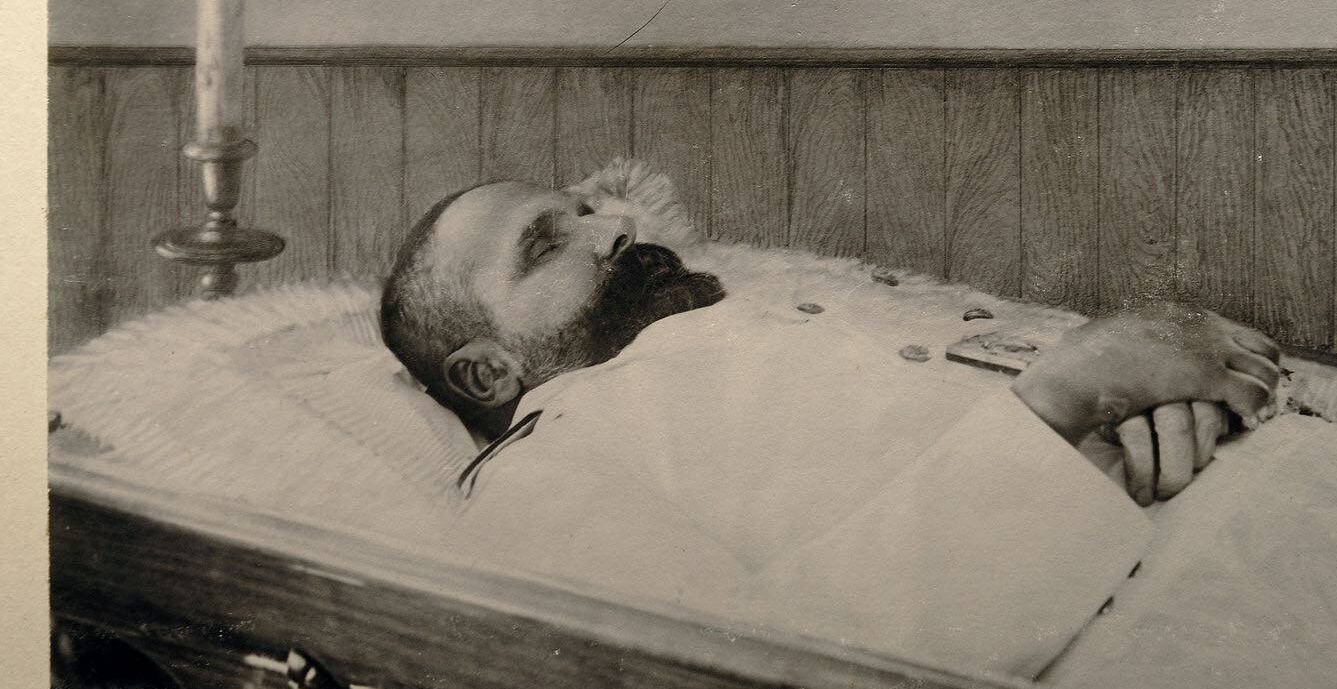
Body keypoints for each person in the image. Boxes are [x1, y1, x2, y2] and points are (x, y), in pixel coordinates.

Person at [380, 180, 1281, 506]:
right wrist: (1070, 393)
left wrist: (1146, 398)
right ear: (489, 371)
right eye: (547, 246)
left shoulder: (719, 336)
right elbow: (783, 664)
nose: (613, 226)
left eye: (586, 209)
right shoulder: (551, 468)